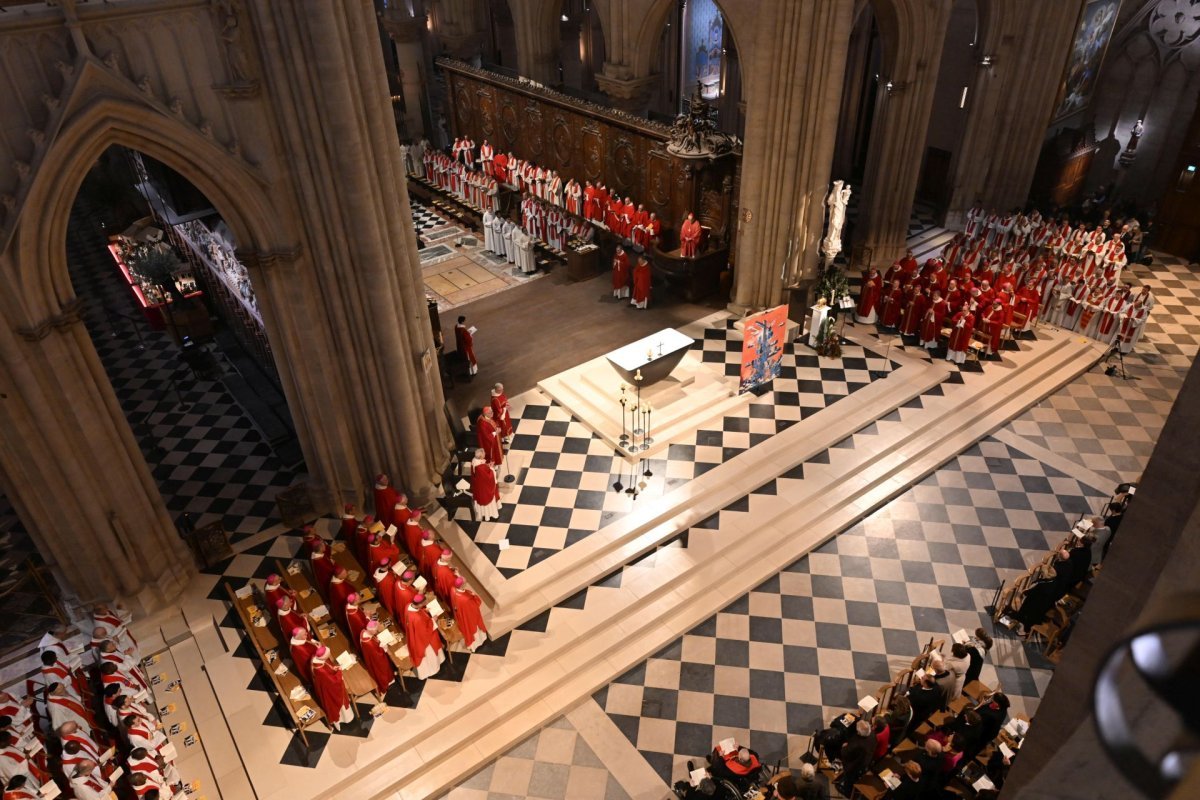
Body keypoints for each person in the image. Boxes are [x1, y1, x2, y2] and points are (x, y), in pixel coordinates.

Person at [310, 647, 354, 730]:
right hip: (331, 691)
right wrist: (339, 672)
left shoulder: (316, 659)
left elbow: (327, 667)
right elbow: (333, 682)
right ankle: (344, 719)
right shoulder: (320, 670)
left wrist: (333, 668)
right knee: (336, 705)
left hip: (327, 686)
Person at [402, 595, 446, 679]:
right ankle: (433, 669)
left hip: (414, 636)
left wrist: (424, 610)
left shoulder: (408, 606)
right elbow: (425, 632)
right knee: (430, 654)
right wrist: (433, 620)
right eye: (424, 603)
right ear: (418, 604)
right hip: (424, 641)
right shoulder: (417, 618)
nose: (425, 604)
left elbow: (417, 612)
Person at [450, 577, 489, 651]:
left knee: (467, 629)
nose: (466, 583)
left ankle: (472, 645)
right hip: (470, 618)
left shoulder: (453, 590)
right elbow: (476, 606)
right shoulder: (466, 599)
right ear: (462, 585)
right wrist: (473, 595)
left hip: (462, 616)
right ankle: (478, 642)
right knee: (473, 630)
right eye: (465, 583)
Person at [358, 620, 394, 695]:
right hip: (377, 660)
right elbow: (378, 654)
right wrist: (384, 647)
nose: (377, 631)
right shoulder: (369, 643)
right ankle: (386, 683)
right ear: (372, 631)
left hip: (371, 657)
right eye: (376, 630)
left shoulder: (363, 632)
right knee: (382, 669)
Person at [469, 448, 501, 522]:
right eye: (483, 454)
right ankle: (490, 515)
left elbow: (483, 473)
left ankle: (483, 514)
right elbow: (489, 477)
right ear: (480, 457)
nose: (484, 455)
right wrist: (492, 468)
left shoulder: (474, 461)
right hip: (485, 489)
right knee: (488, 500)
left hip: (478, 487)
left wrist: (488, 466)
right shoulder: (480, 467)